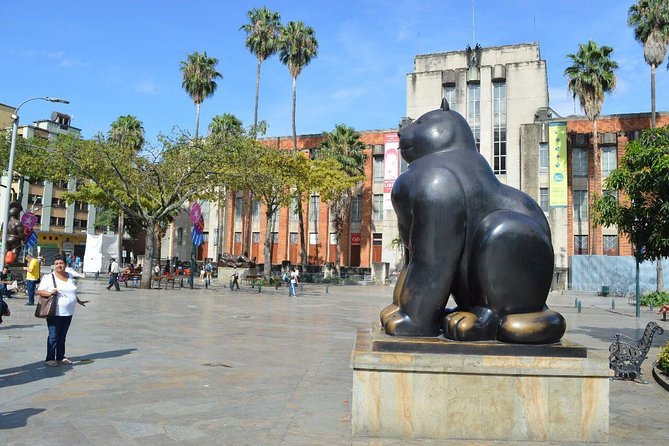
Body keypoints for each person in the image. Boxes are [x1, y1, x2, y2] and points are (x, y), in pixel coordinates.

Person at [37, 254, 89, 366]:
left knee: (62, 336)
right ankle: (50, 358)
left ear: (65, 264)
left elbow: (72, 292)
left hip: (69, 312)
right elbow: (40, 291)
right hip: (54, 312)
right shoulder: (48, 277)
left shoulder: (70, 275)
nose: (59, 266)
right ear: (53, 266)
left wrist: (79, 301)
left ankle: (60, 357)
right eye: (56, 264)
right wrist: (50, 292)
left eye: (61, 263)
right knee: (53, 336)